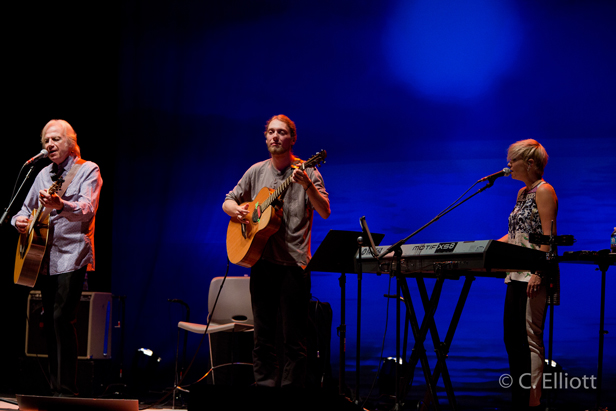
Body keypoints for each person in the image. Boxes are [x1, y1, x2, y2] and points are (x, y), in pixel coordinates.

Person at [222, 114, 330, 389]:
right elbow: (228, 201)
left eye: (282, 132)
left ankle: (290, 395)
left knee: (294, 339)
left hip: (294, 265)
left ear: (293, 138)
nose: (275, 136)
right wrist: (239, 211)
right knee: (263, 336)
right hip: (262, 262)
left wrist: (306, 185)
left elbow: (325, 211)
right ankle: (264, 389)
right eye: (271, 131)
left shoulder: (308, 171)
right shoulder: (256, 171)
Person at [12, 119, 103, 396]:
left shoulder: (88, 169)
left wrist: (60, 205)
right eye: (46, 141)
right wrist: (19, 221)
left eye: (55, 139)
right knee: (50, 321)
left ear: (70, 143)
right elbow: (23, 210)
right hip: (44, 257)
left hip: (73, 254)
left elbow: (88, 208)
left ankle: (67, 390)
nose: (49, 144)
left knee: (63, 318)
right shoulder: (42, 174)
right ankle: (55, 390)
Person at [498, 139, 558, 410]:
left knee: (530, 337)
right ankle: (519, 399)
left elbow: (549, 236)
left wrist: (539, 272)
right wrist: (485, 247)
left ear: (530, 163)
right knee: (512, 338)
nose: (509, 165)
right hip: (515, 273)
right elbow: (516, 235)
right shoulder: (522, 193)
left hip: (534, 273)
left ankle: (532, 403)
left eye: (514, 160)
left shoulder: (545, 191)